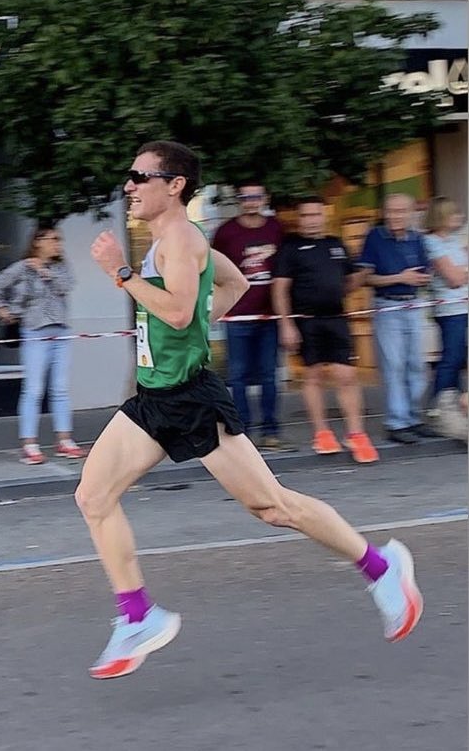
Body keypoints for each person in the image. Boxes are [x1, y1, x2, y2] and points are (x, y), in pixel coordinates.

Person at [78, 140, 422, 680]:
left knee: (272, 507)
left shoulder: (182, 239)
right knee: (93, 496)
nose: (129, 185)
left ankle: (383, 568)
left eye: (140, 176)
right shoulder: (169, 241)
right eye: (130, 176)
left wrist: (121, 274)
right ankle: (138, 616)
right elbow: (235, 282)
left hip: (189, 397)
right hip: (154, 397)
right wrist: (191, 325)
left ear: (174, 186)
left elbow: (174, 312)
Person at [272, 197, 378, 463]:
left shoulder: (336, 244)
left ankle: (356, 434)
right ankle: (322, 432)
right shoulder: (290, 248)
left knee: (347, 376)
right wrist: (286, 324)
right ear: (300, 218)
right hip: (307, 320)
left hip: (337, 319)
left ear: (324, 215)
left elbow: (348, 282)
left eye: (316, 214)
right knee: (314, 376)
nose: (311, 220)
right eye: (306, 215)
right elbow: (280, 289)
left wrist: (363, 274)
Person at [0, 224, 85, 465]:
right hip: (35, 331)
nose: (57, 244)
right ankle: (29, 444)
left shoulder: (60, 267)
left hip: (60, 331)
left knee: (60, 388)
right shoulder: (22, 268)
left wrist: (46, 273)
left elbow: (66, 287)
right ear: (38, 242)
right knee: (34, 389)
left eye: (58, 240)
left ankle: (64, 440)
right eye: (52, 239)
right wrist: (2, 310)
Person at [212, 182, 286, 449]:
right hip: (237, 316)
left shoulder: (277, 228)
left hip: (269, 316)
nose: (251, 201)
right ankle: (241, 430)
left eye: (256, 197)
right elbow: (214, 269)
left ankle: (270, 431)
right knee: (238, 375)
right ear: (239, 200)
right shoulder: (226, 232)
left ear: (264, 199)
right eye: (246, 197)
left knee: (269, 375)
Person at [358, 194, 431, 444]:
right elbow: (366, 278)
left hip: (413, 304)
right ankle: (396, 422)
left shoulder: (417, 239)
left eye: (401, 211)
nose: (395, 216)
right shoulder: (375, 237)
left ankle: (413, 418)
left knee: (416, 365)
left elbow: (424, 270)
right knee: (394, 365)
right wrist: (399, 278)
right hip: (388, 306)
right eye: (391, 211)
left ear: (411, 213)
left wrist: (421, 279)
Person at [422, 196, 467, 408]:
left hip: (462, 304)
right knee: (452, 357)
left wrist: (462, 271)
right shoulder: (432, 242)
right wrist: (463, 271)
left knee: (458, 358)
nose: (459, 217)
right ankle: (439, 405)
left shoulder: (453, 240)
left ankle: (453, 402)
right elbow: (454, 278)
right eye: (454, 213)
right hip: (450, 308)